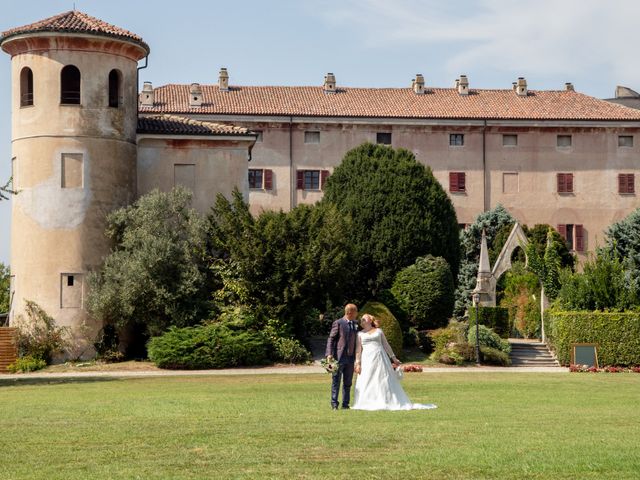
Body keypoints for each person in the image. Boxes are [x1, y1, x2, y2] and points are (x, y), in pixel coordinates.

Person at [352, 314, 437, 411]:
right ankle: (367, 401)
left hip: (380, 357)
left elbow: (386, 345)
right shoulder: (360, 334)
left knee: (382, 378)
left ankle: (386, 400)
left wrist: (394, 358)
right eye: (361, 319)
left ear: (370, 320)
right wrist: (357, 363)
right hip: (367, 358)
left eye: (364, 318)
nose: (362, 320)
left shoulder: (379, 331)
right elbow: (358, 350)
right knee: (367, 378)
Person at [325, 303, 359, 410]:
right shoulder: (338, 323)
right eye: (355, 312)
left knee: (348, 382)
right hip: (338, 357)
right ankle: (334, 404)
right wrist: (329, 353)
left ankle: (346, 404)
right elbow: (331, 338)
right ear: (349, 312)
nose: (357, 314)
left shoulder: (355, 323)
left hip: (350, 357)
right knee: (336, 381)